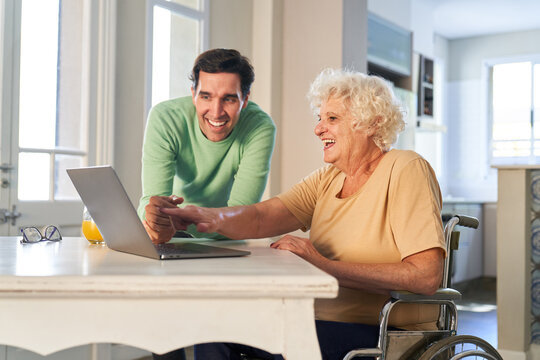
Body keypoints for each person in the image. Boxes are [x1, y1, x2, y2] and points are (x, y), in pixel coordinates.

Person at [160, 68, 446, 360]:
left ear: (373, 123)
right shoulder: (327, 179)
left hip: (380, 332)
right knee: (216, 329)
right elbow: (262, 217)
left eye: (332, 119)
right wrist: (201, 215)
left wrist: (323, 266)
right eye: (319, 119)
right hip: (314, 322)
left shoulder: (405, 168)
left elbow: (424, 276)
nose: (318, 129)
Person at [138, 48, 276, 244]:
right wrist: (154, 219)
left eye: (228, 99)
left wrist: (181, 219)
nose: (216, 112)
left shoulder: (259, 127)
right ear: (193, 94)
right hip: (170, 236)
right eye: (206, 97)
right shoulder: (165, 118)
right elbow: (151, 202)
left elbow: (243, 216)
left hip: (226, 239)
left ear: (245, 100)